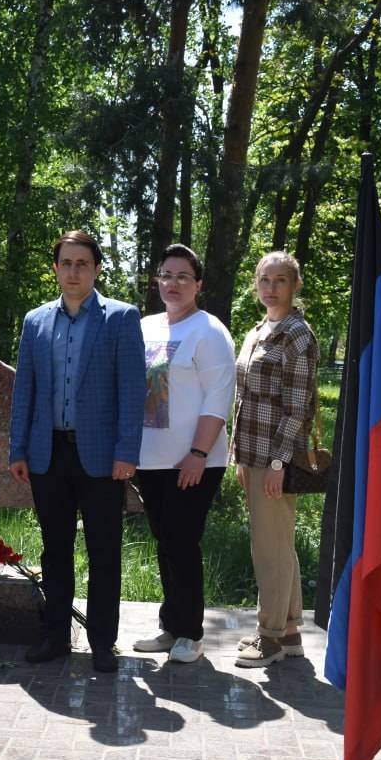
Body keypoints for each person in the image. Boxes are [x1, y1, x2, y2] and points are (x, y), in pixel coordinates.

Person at [8, 230, 145, 673]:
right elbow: (23, 389)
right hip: (48, 454)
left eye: (82, 263)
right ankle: (55, 635)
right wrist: (18, 449)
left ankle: (103, 642)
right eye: (65, 263)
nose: (73, 271)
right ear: (55, 269)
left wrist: (128, 451)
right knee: (55, 549)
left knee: (104, 550)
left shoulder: (121, 319)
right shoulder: (36, 322)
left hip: (103, 456)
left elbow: (132, 391)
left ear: (97, 269)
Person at [131, 245, 235, 664]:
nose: (172, 284)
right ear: (157, 280)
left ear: (198, 285)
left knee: (181, 540)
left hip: (194, 461)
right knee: (164, 541)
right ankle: (171, 626)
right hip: (150, 459)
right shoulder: (146, 327)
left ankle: (190, 633)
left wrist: (197, 452)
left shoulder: (208, 331)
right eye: (166, 275)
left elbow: (218, 398)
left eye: (182, 277)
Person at [231, 250, 319, 668]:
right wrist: (239, 459)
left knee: (270, 549)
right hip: (252, 456)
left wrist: (279, 464)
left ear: (294, 284)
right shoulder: (256, 331)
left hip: (275, 458)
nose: (270, 287)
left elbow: (298, 406)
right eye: (264, 279)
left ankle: (268, 638)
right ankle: (290, 632)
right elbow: (243, 399)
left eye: (280, 280)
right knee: (278, 544)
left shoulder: (297, 335)